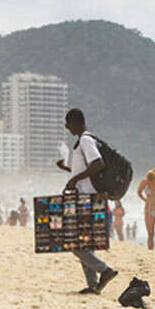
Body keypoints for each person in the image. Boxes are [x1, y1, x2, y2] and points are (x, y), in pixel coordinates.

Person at [56, 108, 119, 295]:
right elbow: (86, 173)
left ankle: (105, 270)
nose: (68, 129)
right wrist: (68, 171)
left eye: (68, 125)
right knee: (85, 243)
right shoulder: (83, 141)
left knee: (76, 245)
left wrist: (74, 180)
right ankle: (92, 285)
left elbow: (98, 164)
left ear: (76, 122)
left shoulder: (85, 140)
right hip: (87, 197)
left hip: (89, 200)